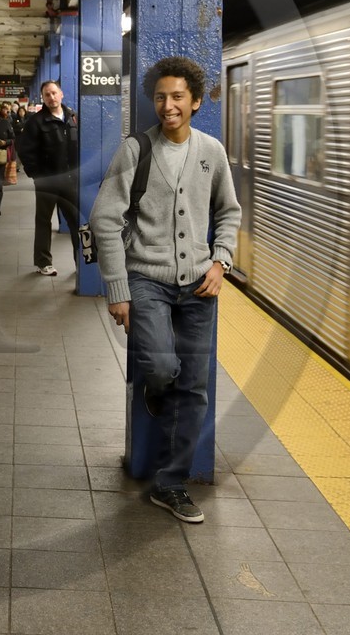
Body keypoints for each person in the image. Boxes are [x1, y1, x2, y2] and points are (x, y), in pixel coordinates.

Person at [89, 57, 241, 525]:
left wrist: (221, 262)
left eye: (177, 97)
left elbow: (229, 213)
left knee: (194, 390)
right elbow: (104, 219)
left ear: (195, 101)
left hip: (198, 285)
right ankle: (160, 386)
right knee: (159, 366)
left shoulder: (211, 152)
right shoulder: (135, 150)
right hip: (146, 280)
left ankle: (171, 484)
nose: (168, 105)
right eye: (160, 97)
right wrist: (117, 288)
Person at [17, 80, 82, 276]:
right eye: (47, 95)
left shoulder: (73, 118)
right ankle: (43, 262)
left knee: (77, 222)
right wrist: (37, 175)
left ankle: (82, 264)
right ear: (43, 98)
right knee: (44, 221)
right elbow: (25, 151)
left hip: (71, 180)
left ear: (61, 94)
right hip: (47, 181)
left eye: (54, 93)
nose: (51, 97)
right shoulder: (36, 122)